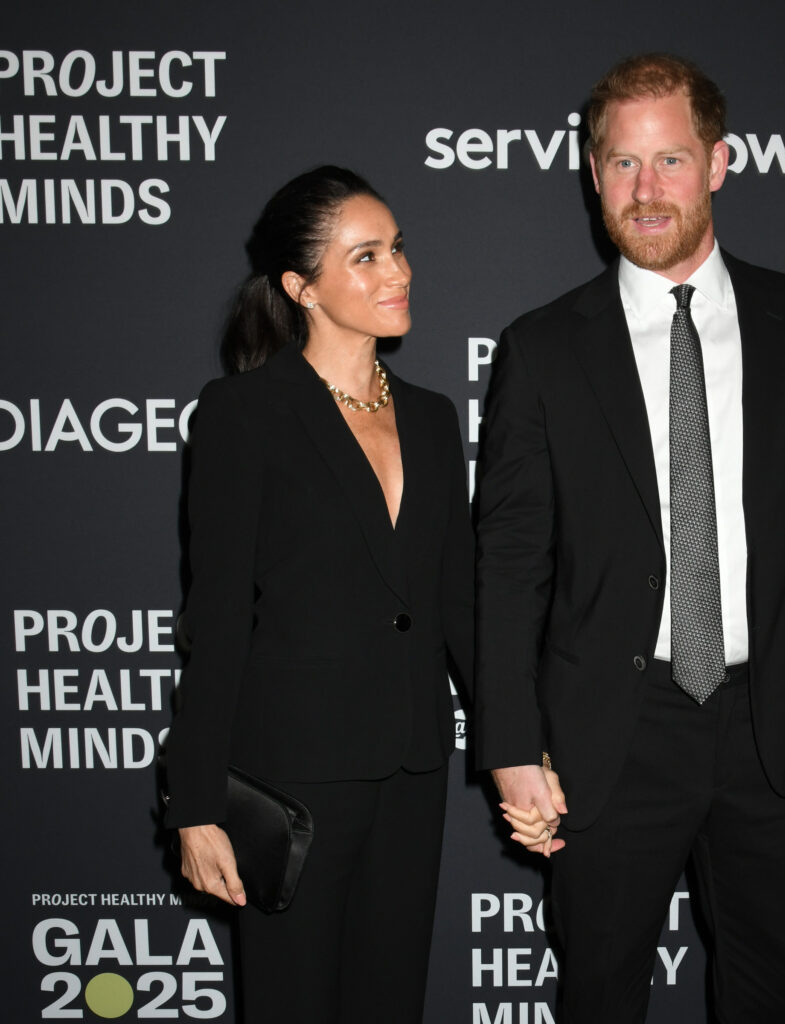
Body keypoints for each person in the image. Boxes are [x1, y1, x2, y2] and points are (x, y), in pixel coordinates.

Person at [474, 54, 785, 1023]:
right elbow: (508, 565)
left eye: (669, 159)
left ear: (718, 162)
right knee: (599, 994)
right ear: (593, 175)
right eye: (623, 164)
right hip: (610, 731)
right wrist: (510, 743)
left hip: (776, 722)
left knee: (776, 991)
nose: (646, 190)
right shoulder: (542, 347)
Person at [162, 165, 473, 1023]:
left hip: (413, 768)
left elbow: (459, 605)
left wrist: (517, 748)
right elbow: (217, 619)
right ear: (301, 288)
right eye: (365, 256)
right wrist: (195, 806)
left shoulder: (434, 417)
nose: (398, 271)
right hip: (294, 778)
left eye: (397, 248)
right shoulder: (243, 413)